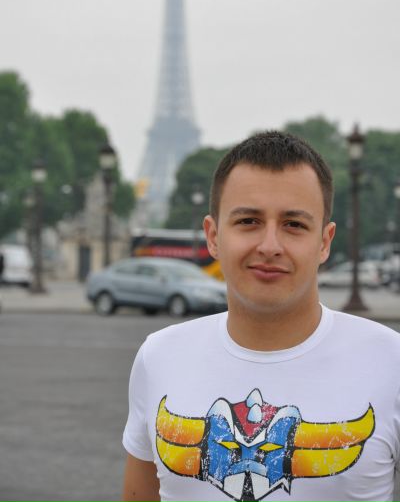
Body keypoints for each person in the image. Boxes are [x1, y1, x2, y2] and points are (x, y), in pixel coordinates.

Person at [122, 130, 400, 502]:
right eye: (249, 221)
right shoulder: (157, 356)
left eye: (294, 224)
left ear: (324, 242)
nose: (270, 246)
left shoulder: (392, 362)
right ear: (213, 236)